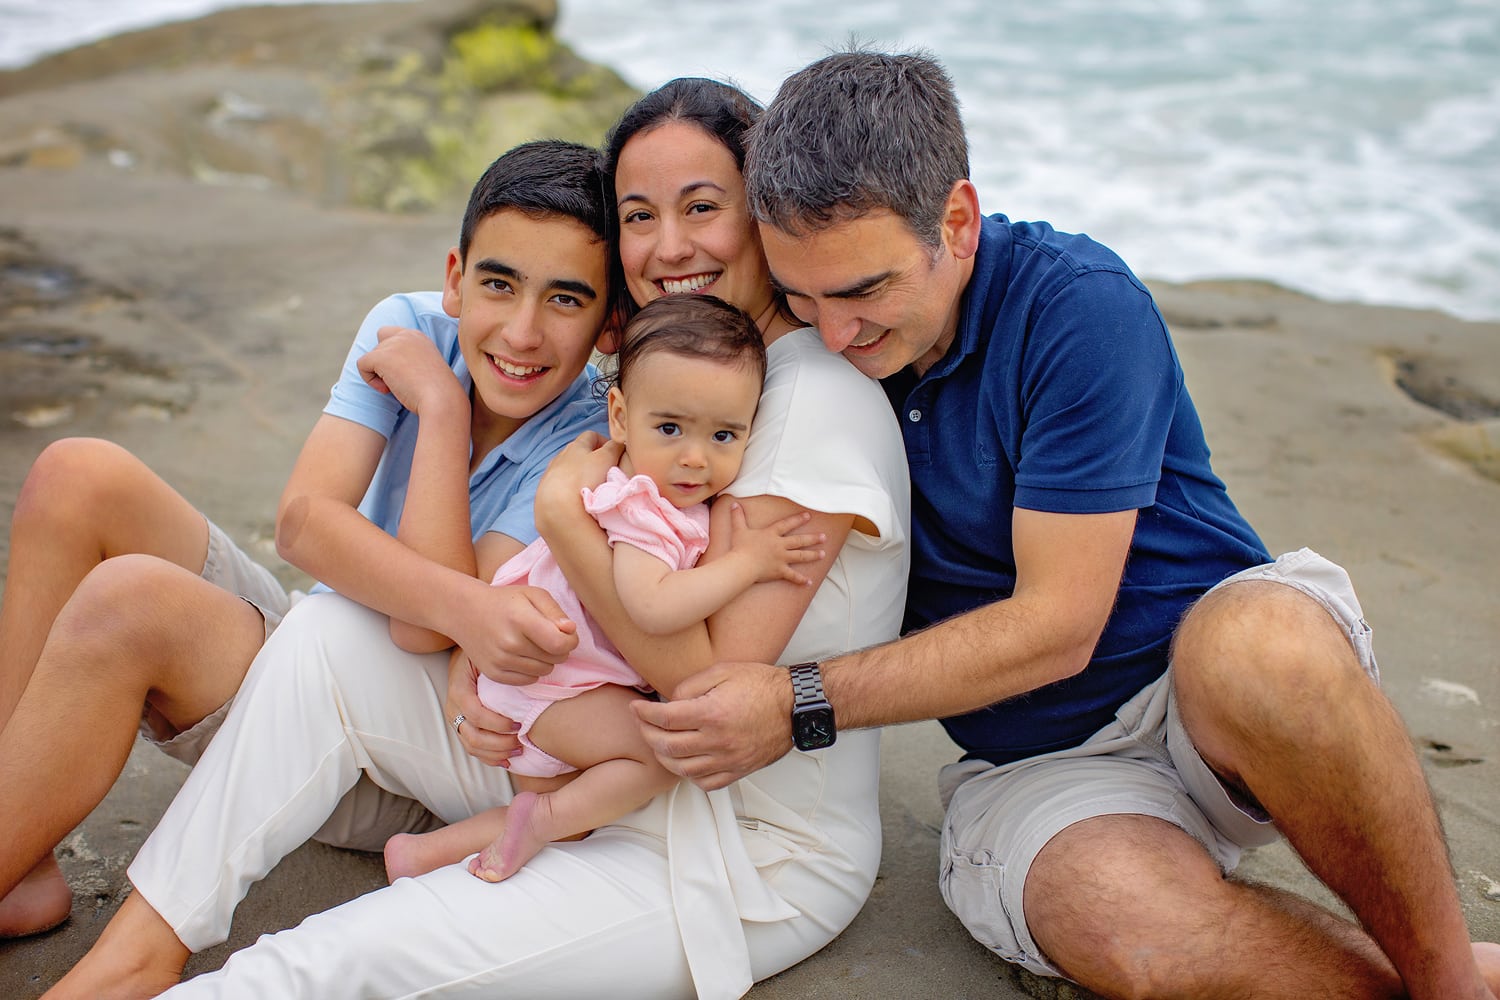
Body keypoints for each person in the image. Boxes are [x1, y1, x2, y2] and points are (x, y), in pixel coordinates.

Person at [631, 49, 1500, 1000]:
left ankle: (1451, 979)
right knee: (1119, 921)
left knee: (1263, 648)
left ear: (955, 223)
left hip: (1209, 700)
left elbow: (1060, 625)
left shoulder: (1074, 304)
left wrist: (795, 700)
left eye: (864, 291)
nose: (836, 335)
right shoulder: (773, 363)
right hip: (1040, 767)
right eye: (803, 297)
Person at [46, 77, 909, 1000]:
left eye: (705, 207)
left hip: (728, 851)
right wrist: (478, 652)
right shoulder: (688, 373)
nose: (668, 246)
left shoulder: (811, 400)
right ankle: (140, 946)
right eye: (639, 216)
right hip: (589, 760)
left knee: (331, 963)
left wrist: (563, 527)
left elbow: (703, 703)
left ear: (766, 211)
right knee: (328, 636)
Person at [0, 138, 616, 937]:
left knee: (131, 603)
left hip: (391, 749)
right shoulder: (407, 325)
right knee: (78, 474)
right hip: (319, 636)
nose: (523, 332)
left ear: (610, 325)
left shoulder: (587, 440)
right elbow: (304, 522)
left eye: (567, 300)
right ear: (457, 278)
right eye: (500, 284)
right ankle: (20, 843)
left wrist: (439, 411)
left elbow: (427, 628)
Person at [384, 292, 826, 884]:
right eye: (669, 428)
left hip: (563, 678)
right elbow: (653, 603)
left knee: (577, 820)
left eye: (725, 435)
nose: (695, 458)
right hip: (550, 684)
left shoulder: (677, 500)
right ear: (619, 416)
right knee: (660, 756)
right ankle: (535, 820)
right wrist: (748, 563)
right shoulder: (638, 507)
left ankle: (419, 858)